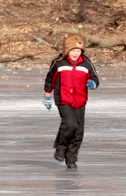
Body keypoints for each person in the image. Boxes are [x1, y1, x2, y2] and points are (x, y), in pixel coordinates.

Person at [42, 34, 99, 170]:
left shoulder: (86, 63)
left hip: (80, 100)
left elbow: (95, 78)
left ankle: (71, 158)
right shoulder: (59, 63)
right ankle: (60, 148)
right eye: (73, 51)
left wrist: (92, 83)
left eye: (78, 51)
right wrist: (47, 95)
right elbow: (50, 79)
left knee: (78, 131)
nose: (75, 53)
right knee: (70, 124)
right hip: (63, 98)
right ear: (67, 50)